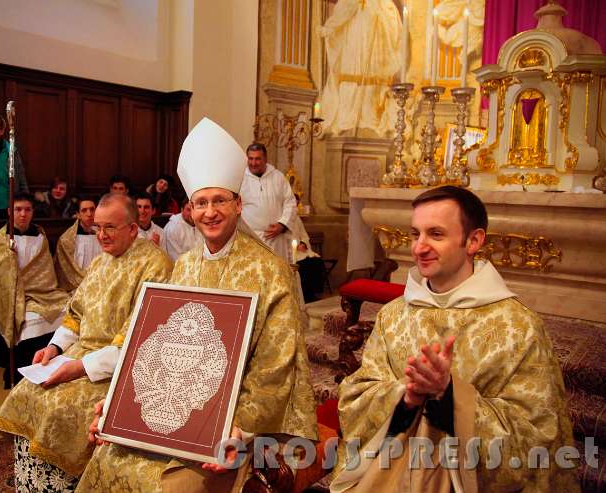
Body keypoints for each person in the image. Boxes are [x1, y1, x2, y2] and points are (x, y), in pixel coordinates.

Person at [77, 117, 317, 492]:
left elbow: (275, 366)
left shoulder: (271, 272)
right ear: (189, 209)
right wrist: (119, 403)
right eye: (201, 202)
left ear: (238, 204)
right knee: (108, 459)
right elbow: (151, 342)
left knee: (175, 486)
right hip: (174, 402)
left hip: (236, 418)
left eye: (220, 200)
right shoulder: (185, 264)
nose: (210, 212)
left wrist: (239, 426)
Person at [331, 186, 578, 492]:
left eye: (435, 234)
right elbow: (357, 399)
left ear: (473, 241)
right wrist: (406, 396)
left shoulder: (519, 326)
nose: (419, 247)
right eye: (414, 234)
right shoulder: (393, 315)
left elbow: (537, 435)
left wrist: (449, 396)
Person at [0, 193, 173, 491]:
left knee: (58, 408)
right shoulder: (101, 263)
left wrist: (78, 368)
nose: (101, 235)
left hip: (117, 367)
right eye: (97, 227)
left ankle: (64, 486)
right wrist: (54, 348)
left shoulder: (156, 266)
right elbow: (75, 315)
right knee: (28, 392)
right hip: (78, 355)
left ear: (131, 228)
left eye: (109, 227)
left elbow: (140, 340)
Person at [0, 193, 69, 388]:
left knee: (68, 308)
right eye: (18, 210)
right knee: (27, 319)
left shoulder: (40, 235)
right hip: (16, 294)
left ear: (32, 212)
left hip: (44, 291)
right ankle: (21, 374)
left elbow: (45, 270)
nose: (23, 214)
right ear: (9, 212)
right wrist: (9, 264)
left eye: (27, 210)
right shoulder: (1, 240)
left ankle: (52, 368)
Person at [317, 0, 401, 137]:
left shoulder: (383, 4)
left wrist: (381, 13)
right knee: (350, 72)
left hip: (374, 46)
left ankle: (369, 118)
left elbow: (393, 23)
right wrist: (329, 28)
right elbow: (342, 13)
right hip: (353, 42)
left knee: (372, 81)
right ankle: (347, 119)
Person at [239, 143, 299, 263]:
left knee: (276, 276)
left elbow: (290, 203)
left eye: (257, 159)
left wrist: (282, 225)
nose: (253, 163)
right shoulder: (240, 179)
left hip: (276, 240)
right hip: (250, 239)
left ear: (265, 159)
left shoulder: (278, 177)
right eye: (250, 159)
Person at [54, 196, 102, 292]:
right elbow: (66, 272)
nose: (89, 214)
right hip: (76, 287)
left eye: (92, 209)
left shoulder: (103, 235)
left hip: (100, 283)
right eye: (84, 210)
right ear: (78, 214)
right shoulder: (67, 240)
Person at [292, 216, 325, 303]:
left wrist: (303, 243)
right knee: (304, 265)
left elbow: (304, 235)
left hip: (301, 251)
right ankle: (305, 294)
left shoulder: (296, 219)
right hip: (291, 253)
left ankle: (312, 293)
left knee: (317, 262)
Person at [162, 197, 199, 261]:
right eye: (188, 210)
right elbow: (176, 258)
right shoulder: (172, 228)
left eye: (195, 210)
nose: (192, 214)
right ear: (182, 210)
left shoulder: (201, 224)